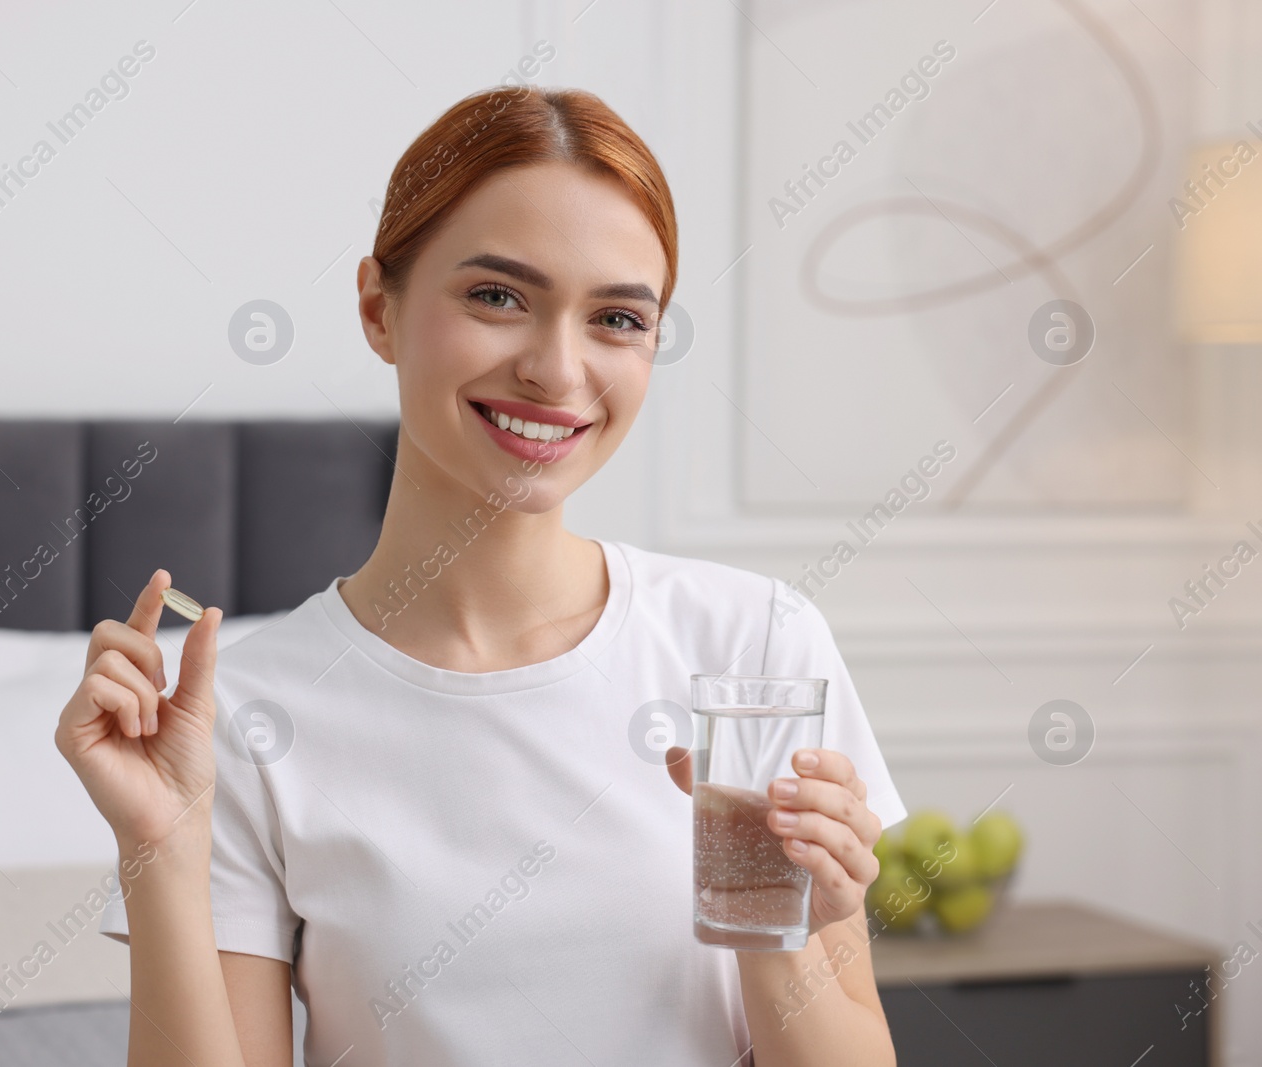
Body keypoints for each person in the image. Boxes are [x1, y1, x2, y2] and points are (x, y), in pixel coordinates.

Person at [56, 84, 907, 1067]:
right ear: (379, 307)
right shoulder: (246, 711)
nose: (557, 368)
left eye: (618, 319)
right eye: (498, 296)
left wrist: (772, 907)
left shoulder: (750, 641)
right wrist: (159, 847)